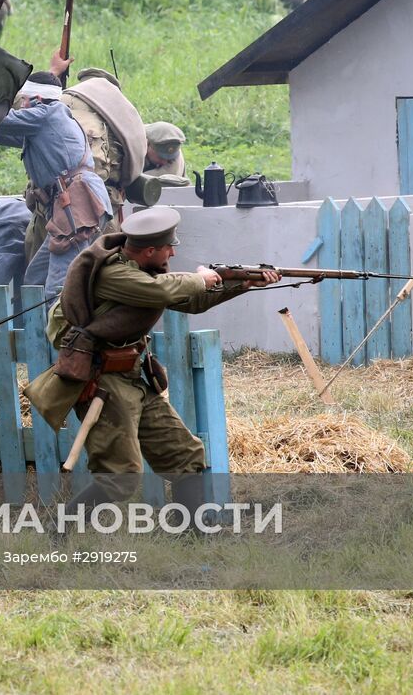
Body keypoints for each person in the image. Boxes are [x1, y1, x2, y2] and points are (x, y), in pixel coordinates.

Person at [26, 207, 279, 513]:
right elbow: (161, 290)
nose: (172, 253)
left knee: (185, 456)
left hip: (134, 378)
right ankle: (60, 528)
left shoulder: (142, 271)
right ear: (149, 250)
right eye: (168, 248)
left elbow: (189, 300)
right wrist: (201, 278)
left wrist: (242, 283)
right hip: (103, 382)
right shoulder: (113, 273)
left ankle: (195, 537)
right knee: (120, 478)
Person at [0, 73, 113, 293]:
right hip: (71, 206)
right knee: (35, 279)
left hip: (76, 206)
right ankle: (44, 326)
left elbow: (0, 121)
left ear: (37, 98)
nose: (22, 105)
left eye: (24, 100)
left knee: (56, 288)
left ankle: (61, 327)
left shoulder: (45, 115)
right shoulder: (48, 120)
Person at [57, 60, 147, 217]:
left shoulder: (60, 99)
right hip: (101, 201)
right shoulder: (124, 109)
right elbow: (136, 156)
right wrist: (123, 183)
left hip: (52, 199)